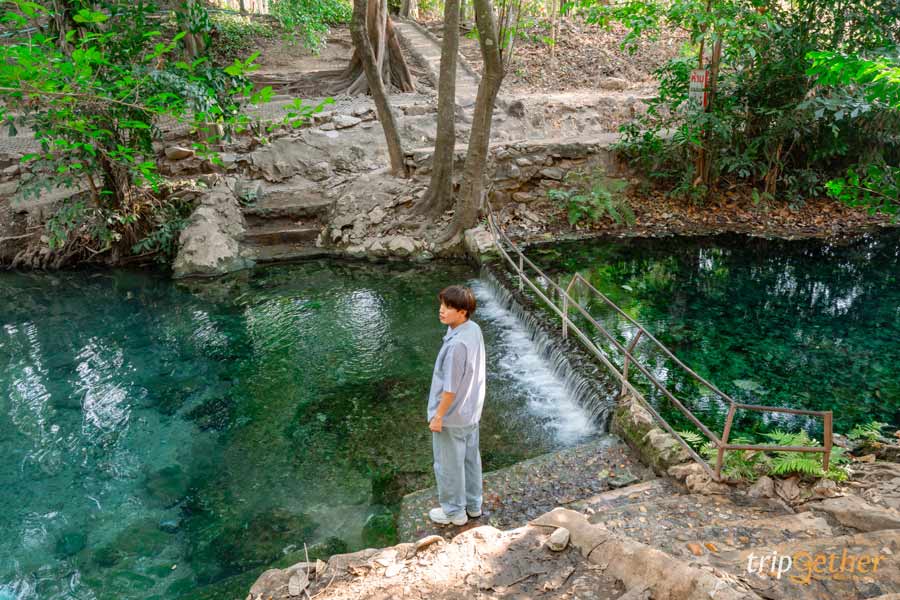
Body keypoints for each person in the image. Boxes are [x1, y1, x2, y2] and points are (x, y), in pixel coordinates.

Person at [426, 285, 486, 526]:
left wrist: (438, 416)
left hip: (453, 416)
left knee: (449, 465)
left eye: (448, 307)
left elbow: (449, 388)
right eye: (442, 304)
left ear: (462, 312)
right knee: (471, 459)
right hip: (471, 411)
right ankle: (474, 505)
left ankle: (454, 512)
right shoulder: (473, 330)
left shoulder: (455, 346)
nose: (442, 310)